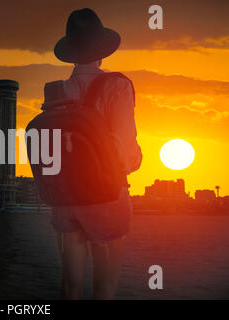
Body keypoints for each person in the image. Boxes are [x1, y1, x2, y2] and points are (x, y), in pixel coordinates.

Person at [50, 8, 142, 299]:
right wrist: (136, 159)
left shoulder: (56, 91)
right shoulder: (117, 85)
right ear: (102, 51)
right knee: (104, 290)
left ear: (71, 53)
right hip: (106, 197)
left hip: (65, 199)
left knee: (69, 287)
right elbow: (125, 149)